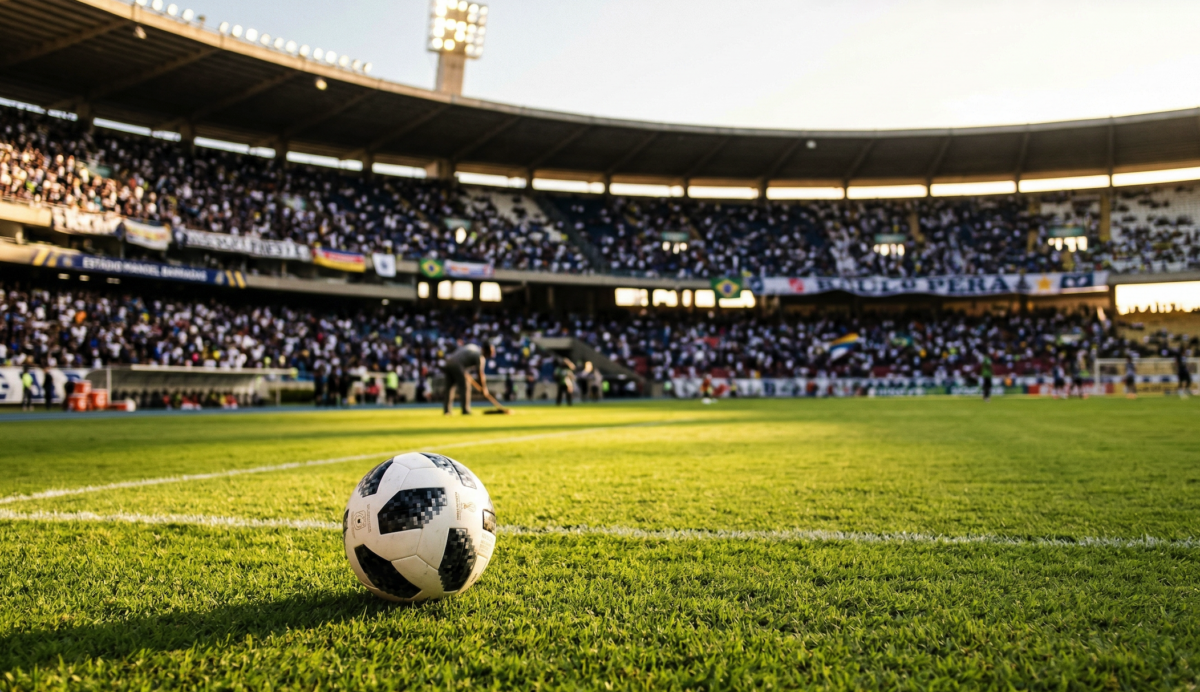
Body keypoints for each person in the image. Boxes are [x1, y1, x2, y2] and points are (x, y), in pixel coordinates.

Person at [443, 342, 496, 415]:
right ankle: (465, 410)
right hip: (457, 365)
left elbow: (462, 357)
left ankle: (447, 411)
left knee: (449, 388)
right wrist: (484, 388)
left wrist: (464, 371)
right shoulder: (479, 356)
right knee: (465, 387)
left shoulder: (473, 347)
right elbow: (480, 374)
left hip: (449, 362)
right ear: (485, 350)